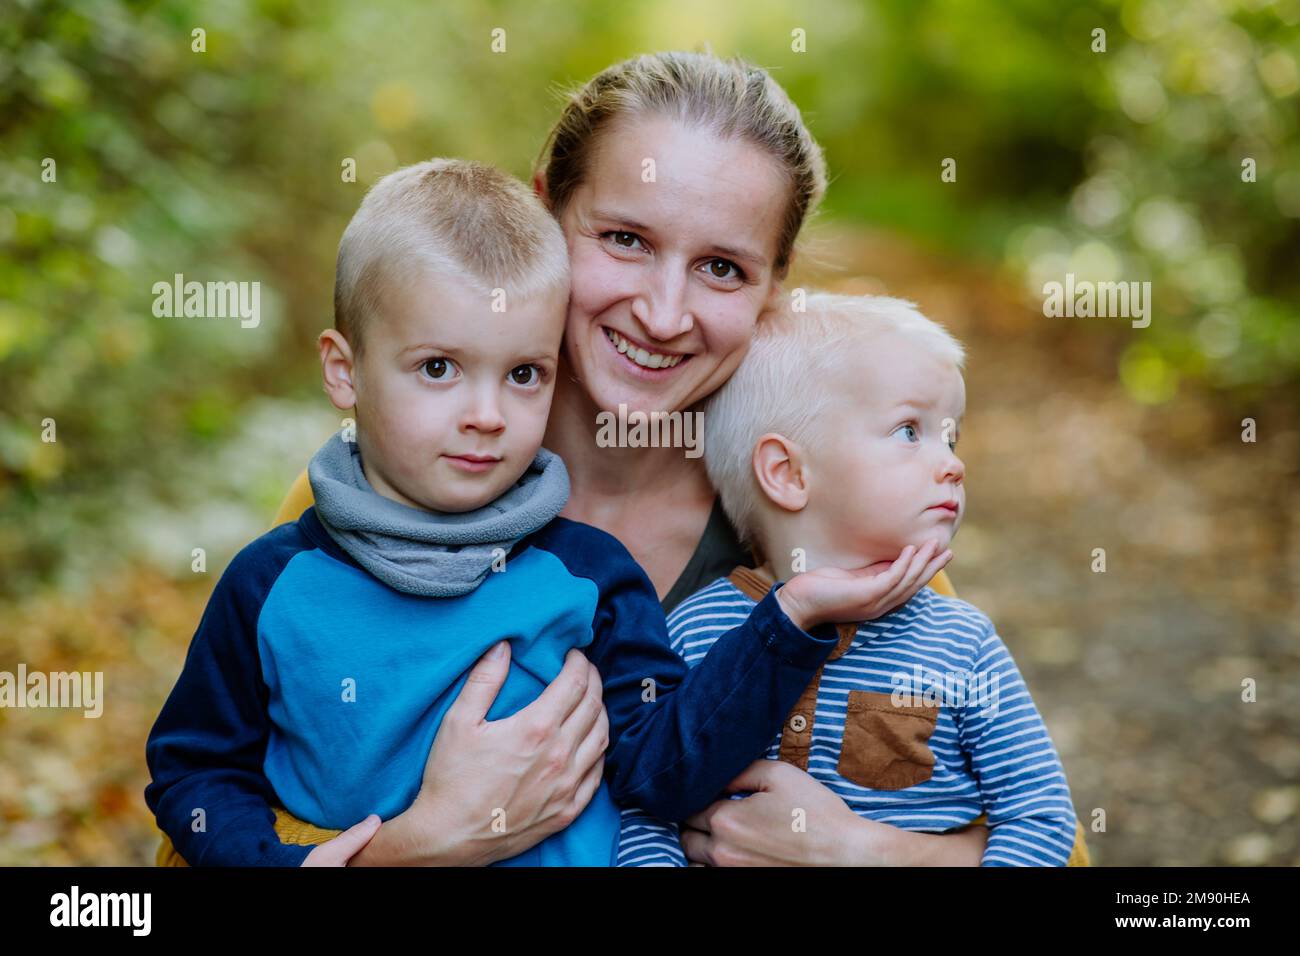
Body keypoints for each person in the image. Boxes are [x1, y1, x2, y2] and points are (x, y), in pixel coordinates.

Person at [159, 51, 999, 867]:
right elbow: (189, 822)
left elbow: (1050, 840)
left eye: (720, 267)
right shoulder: (351, 507)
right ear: (543, 218)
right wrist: (412, 850)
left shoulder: (821, 509)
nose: (664, 314)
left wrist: (866, 853)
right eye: (626, 239)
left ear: (771, 290)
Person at [663, 292, 1078, 865]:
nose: (953, 463)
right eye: (910, 431)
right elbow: (647, 807)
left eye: (950, 437)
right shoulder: (696, 630)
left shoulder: (962, 643)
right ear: (787, 473)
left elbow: (1042, 820)